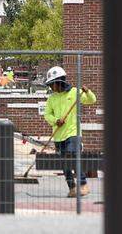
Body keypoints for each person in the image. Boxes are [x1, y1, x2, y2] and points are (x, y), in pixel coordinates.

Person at [43, 66, 96, 198]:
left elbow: (92, 100)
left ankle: (83, 185)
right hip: (58, 136)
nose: (51, 87)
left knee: (72, 156)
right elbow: (47, 115)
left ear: (60, 81)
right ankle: (72, 188)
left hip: (73, 133)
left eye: (52, 84)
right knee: (65, 164)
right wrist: (55, 121)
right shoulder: (51, 99)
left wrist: (88, 92)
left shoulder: (75, 93)